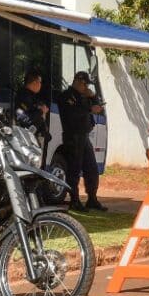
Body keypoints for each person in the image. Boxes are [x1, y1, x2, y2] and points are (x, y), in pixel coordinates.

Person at [57, 70, 105, 211]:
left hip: (84, 136)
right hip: (73, 136)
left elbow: (98, 108)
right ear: (78, 82)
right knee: (74, 169)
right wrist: (90, 108)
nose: (86, 87)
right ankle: (74, 200)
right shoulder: (67, 96)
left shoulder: (84, 96)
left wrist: (93, 97)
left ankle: (92, 198)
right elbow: (73, 113)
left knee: (91, 168)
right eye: (84, 84)